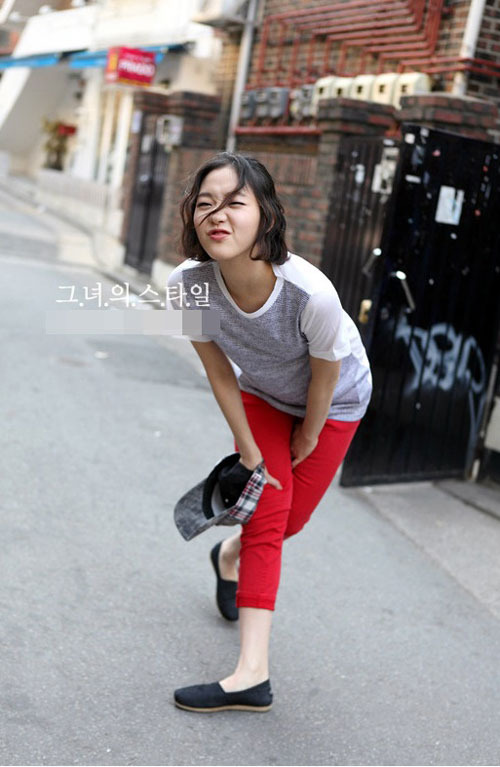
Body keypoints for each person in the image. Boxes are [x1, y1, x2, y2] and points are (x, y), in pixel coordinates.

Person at [166, 152, 372, 713]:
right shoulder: (188, 285)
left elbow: (326, 378)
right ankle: (251, 675)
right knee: (268, 516)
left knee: (289, 522)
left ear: (267, 216)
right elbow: (217, 371)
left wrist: (308, 435)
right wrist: (252, 451)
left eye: (235, 202)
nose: (217, 214)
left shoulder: (311, 295)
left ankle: (229, 554)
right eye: (205, 203)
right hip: (262, 395)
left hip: (335, 404)